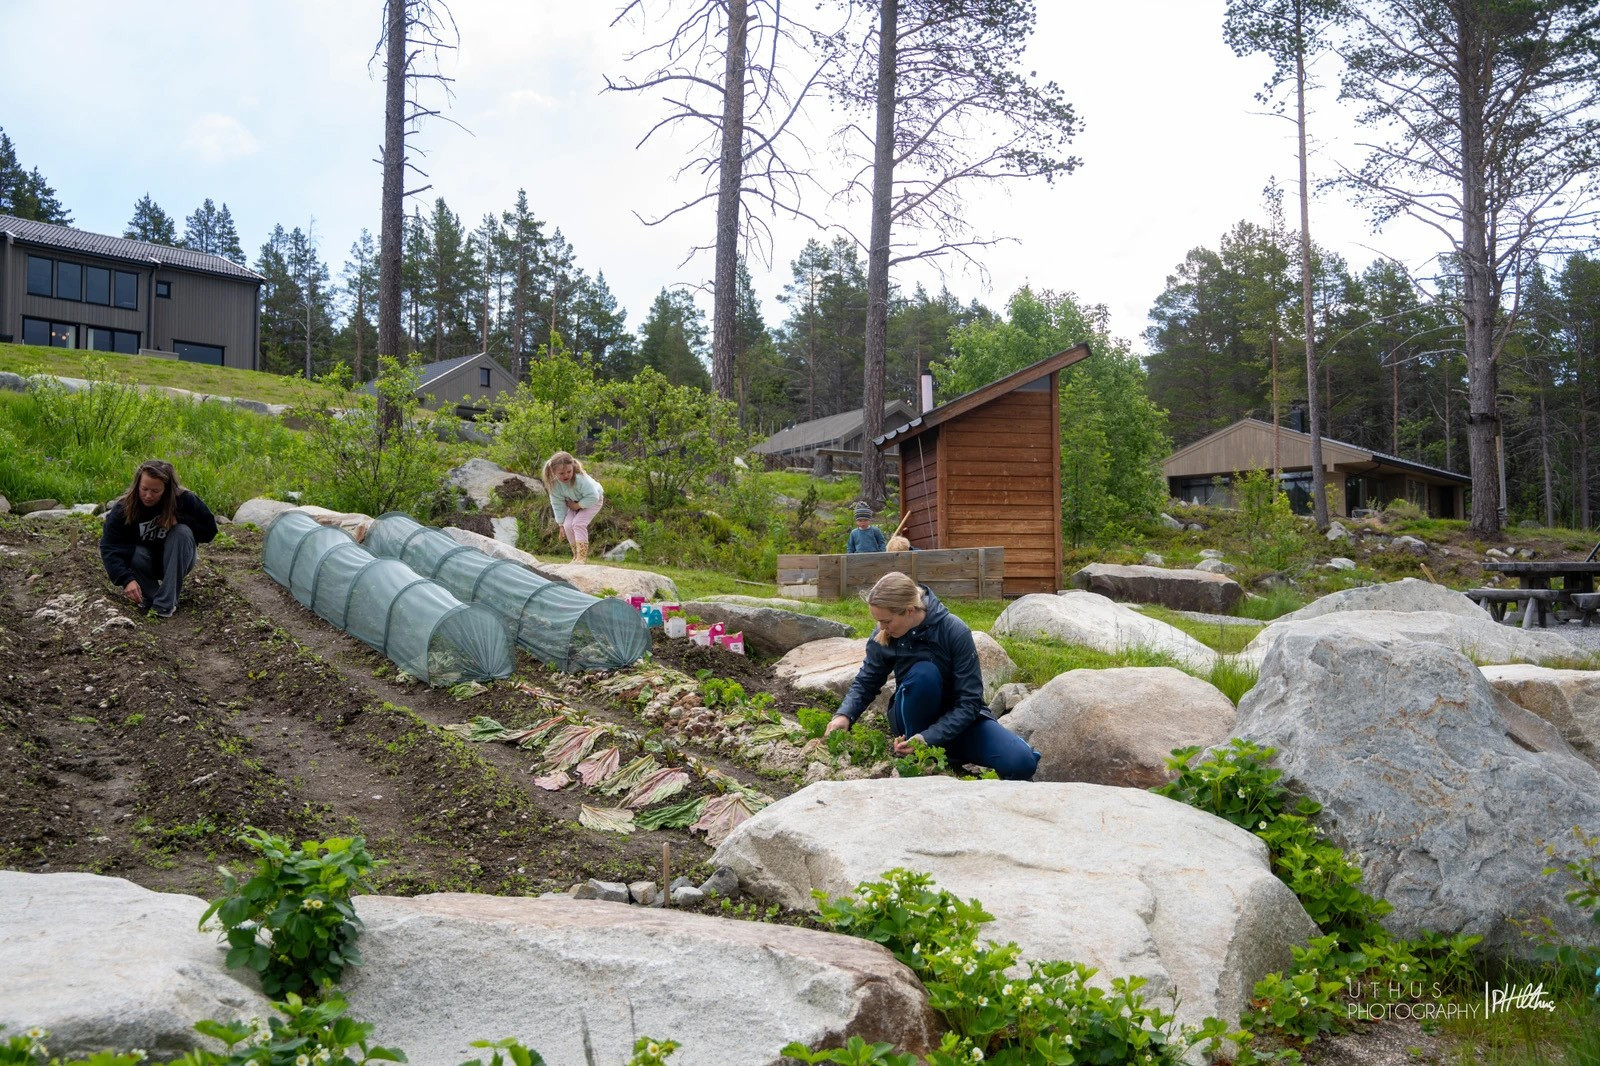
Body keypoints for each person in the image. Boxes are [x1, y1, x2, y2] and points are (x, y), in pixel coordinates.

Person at [825, 572, 1040, 780]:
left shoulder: (954, 631)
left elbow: (970, 702)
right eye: (879, 621)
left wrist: (929, 739)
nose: (881, 627)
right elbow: (867, 681)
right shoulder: (886, 634)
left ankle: (946, 753)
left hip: (960, 724)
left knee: (1023, 762)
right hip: (914, 724)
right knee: (923, 674)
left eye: (887, 621)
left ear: (910, 610)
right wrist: (845, 715)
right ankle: (914, 755)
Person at [99, 459, 218, 619]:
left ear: (167, 490)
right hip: (144, 563)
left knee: (182, 532)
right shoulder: (123, 509)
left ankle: (164, 606)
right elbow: (109, 547)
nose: (148, 496)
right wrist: (126, 579)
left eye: (155, 491)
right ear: (137, 485)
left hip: (178, 560)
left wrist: (180, 519)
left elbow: (210, 530)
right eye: (144, 489)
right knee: (131, 552)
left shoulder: (184, 500)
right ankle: (154, 597)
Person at [542, 450, 604, 564]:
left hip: (593, 500)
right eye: (561, 473)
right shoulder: (554, 485)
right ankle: (575, 556)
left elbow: (593, 496)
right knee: (567, 525)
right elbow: (558, 504)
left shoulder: (580, 479)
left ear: (573, 467)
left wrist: (577, 506)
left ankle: (581, 558)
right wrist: (560, 524)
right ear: (553, 472)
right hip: (575, 502)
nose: (566, 475)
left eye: (569, 471)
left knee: (578, 523)